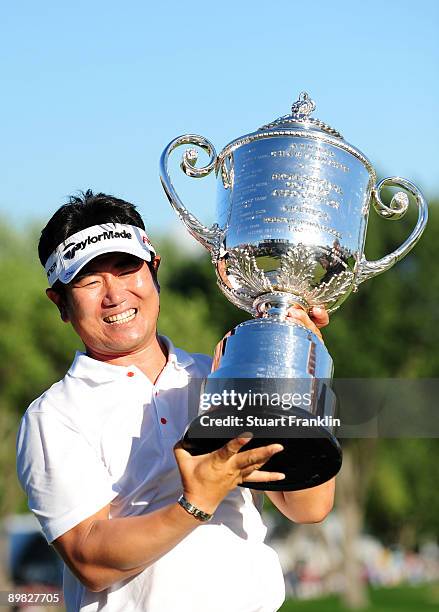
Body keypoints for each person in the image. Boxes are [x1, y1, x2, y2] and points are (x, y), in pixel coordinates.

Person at [16, 191, 335, 612]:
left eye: (127, 269)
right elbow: (89, 557)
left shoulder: (219, 375)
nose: (115, 295)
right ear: (60, 302)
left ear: (154, 270)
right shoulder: (53, 416)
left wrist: (303, 369)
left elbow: (307, 506)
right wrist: (197, 500)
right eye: (89, 281)